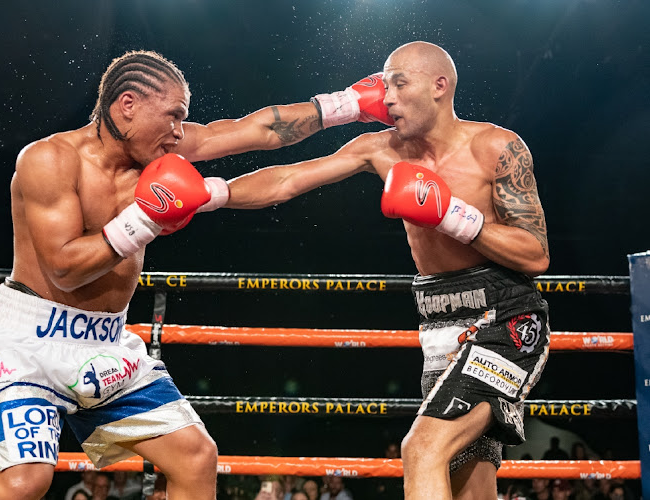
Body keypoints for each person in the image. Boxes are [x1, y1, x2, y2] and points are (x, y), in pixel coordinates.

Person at [0, 49, 389, 500]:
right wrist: (146, 219)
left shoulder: (156, 154)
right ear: (127, 104)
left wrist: (350, 105)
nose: (179, 132)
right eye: (173, 116)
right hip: (31, 340)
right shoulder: (48, 160)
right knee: (23, 485)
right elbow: (65, 269)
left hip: (105, 342)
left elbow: (254, 130)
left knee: (194, 458)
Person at [225, 41, 550, 500]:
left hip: (504, 321)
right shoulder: (380, 149)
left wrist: (451, 215)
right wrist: (211, 193)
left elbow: (535, 254)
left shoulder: (496, 147)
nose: (386, 96)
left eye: (399, 82)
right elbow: (287, 179)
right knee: (470, 486)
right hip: (438, 325)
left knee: (423, 448)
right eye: (384, 83)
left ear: (440, 86)